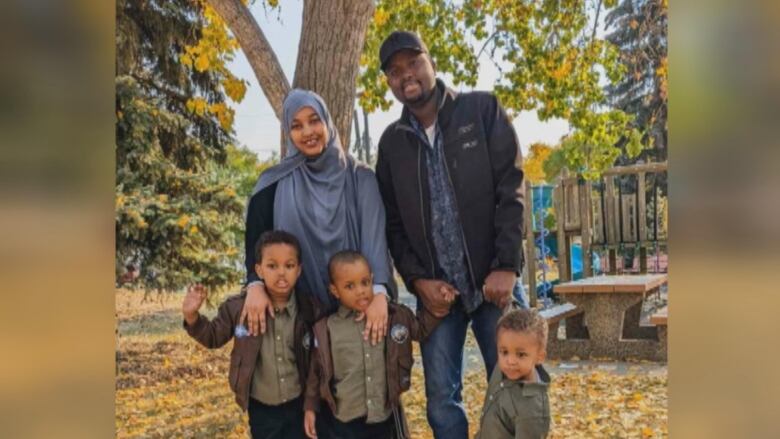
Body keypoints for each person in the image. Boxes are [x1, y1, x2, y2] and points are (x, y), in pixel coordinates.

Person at [374, 30, 528, 438]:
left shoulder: (481, 110)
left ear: (431, 63)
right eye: (394, 71)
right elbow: (392, 225)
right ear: (388, 82)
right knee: (442, 402)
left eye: (413, 63)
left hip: (494, 284)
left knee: (517, 390)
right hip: (439, 299)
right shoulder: (391, 144)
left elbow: (511, 188)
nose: (405, 75)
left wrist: (507, 265)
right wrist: (419, 281)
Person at [241, 89, 393, 346]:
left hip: (359, 316)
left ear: (327, 121)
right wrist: (254, 285)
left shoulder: (360, 178)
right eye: (297, 126)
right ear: (288, 133)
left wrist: (379, 294)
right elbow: (257, 244)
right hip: (299, 321)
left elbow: (375, 240)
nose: (308, 131)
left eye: (314, 120)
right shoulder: (273, 184)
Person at [182, 230, 312, 439]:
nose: (281, 272)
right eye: (272, 266)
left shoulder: (309, 310)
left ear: (299, 270)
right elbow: (214, 336)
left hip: (299, 405)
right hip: (262, 408)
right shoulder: (238, 309)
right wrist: (192, 317)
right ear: (258, 270)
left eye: (289, 266)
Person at [303, 251, 440, 439]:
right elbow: (316, 373)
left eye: (365, 282)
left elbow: (421, 329)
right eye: (349, 286)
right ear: (334, 290)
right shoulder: (326, 329)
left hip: (384, 420)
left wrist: (440, 305)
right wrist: (310, 408)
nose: (360, 291)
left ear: (372, 280)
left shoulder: (393, 317)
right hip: (344, 424)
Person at [475, 309, 551, 439]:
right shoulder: (501, 370)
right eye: (504, 352)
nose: (510, 361)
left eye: (521, 354)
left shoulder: (532, 410)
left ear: (540, 357)